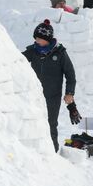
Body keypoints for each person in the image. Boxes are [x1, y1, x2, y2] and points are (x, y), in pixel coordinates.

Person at [23, 20, 76, 150]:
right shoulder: (32, 51)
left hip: (52, 96)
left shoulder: (60, 52)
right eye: (36, 38)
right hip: (34, 95)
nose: (37, 41)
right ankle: (37, 152)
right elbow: (17, 61)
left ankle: (52, 152)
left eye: (40, 38)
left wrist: (69, 93)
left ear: (48, 39)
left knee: (51, 124)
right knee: (33, 123)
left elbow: (70, 74)